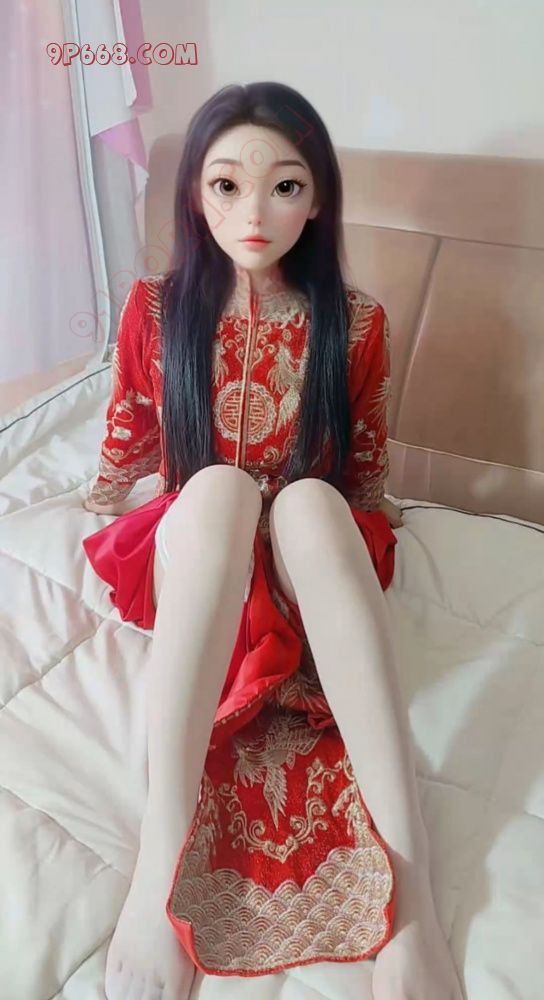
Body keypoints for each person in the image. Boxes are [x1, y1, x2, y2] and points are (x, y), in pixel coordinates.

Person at [82, 82, 464, 1000]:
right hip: (201, 552)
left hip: (300, 564)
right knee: (215, 489)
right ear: (194, 194)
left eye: (285, 186)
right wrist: (99, 495)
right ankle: (160, 859)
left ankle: (410, 891)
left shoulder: (355, 322)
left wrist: (353, 515)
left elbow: (364, 464)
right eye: (227, 185)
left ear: (318, 197)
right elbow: (130, 429)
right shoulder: (155, 309)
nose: (254, 213)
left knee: (307, 502)